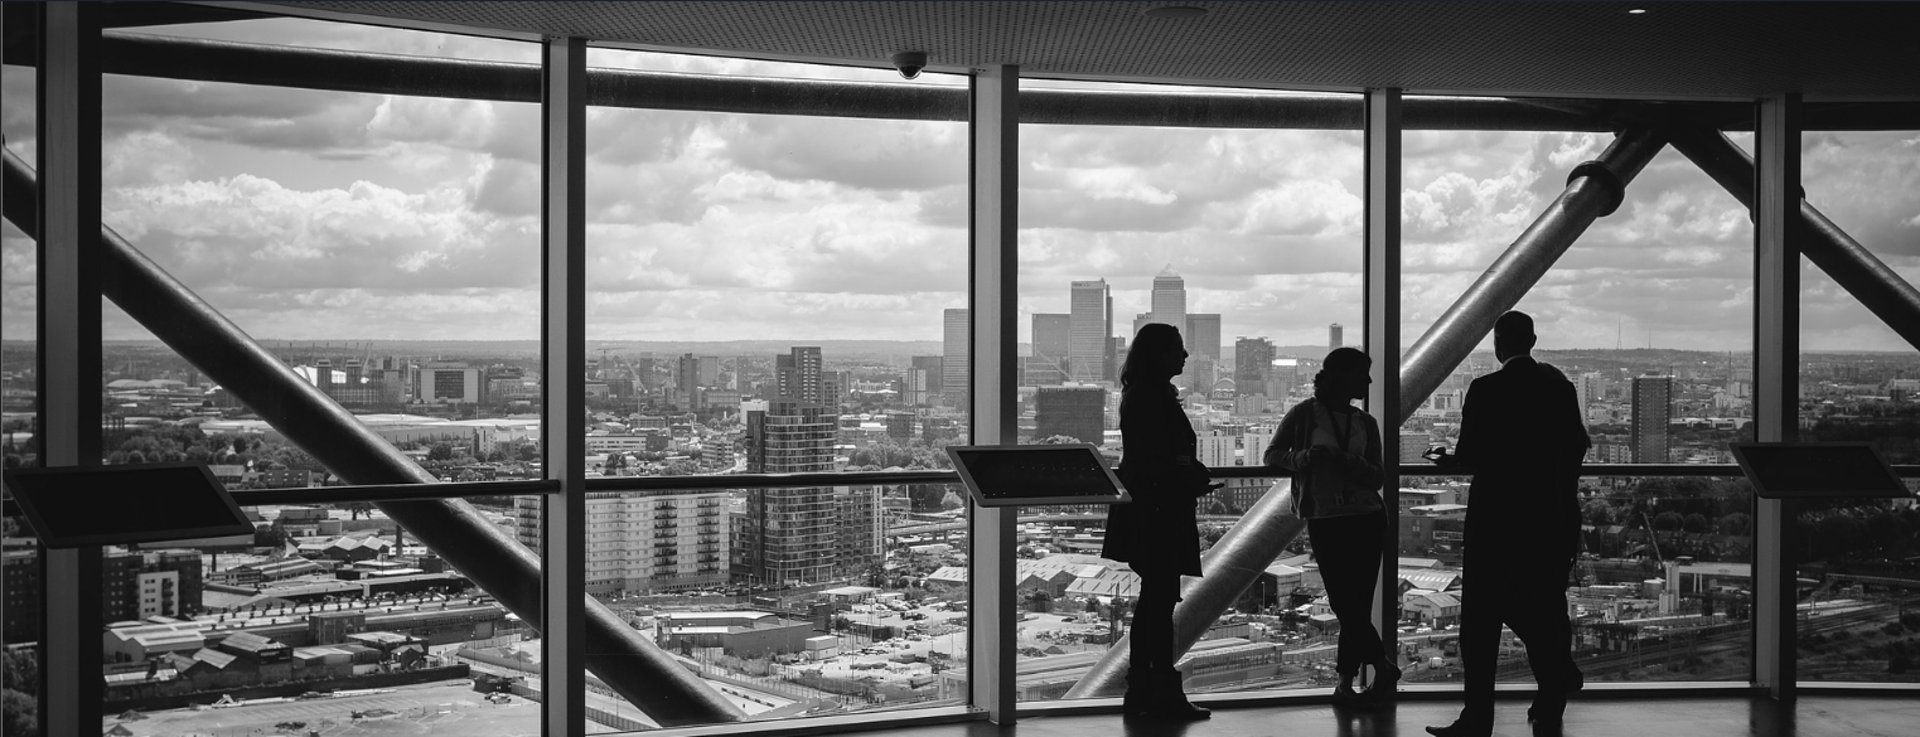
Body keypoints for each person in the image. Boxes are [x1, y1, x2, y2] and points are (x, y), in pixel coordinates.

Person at [1426, 310, 1591, 737]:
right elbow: (1577, 445)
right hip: (1548, 519)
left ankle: (1478, 718)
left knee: (1480, 624)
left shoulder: (1486, 389)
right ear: (1532, 341)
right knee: (1544, 606)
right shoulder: (1560, 388)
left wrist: (1446, 460)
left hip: (1496, 520)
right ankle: (1552, 693)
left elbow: (1470, 455)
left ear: (1498, 344)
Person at [1264, 347, 1397, 709]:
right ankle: (1380, 667)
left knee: (1353, 606)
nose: (1368, 380)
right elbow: (1272, 455)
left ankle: (1345, 682)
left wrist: (1342, 460)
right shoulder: (1304, 414)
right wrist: (1303, 458)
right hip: (1334, 518)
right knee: (1346, 604)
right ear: (1342, 377)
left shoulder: (1365, 422)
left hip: (1362, 518)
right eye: (1362, 374)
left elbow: (1377, 476)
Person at [1100, 322, 1214, 721]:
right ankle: (1159, 690)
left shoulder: (1141, 394)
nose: (1185, 355)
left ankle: (1145, 689)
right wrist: (1189, 475)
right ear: (1159, 355)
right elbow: (1158, 458)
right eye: (1177, 348)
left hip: (1149, 508)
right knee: (1159, 604)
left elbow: (1149, 456)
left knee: (1155, 602)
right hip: (1159, 511)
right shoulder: (1153, 397)